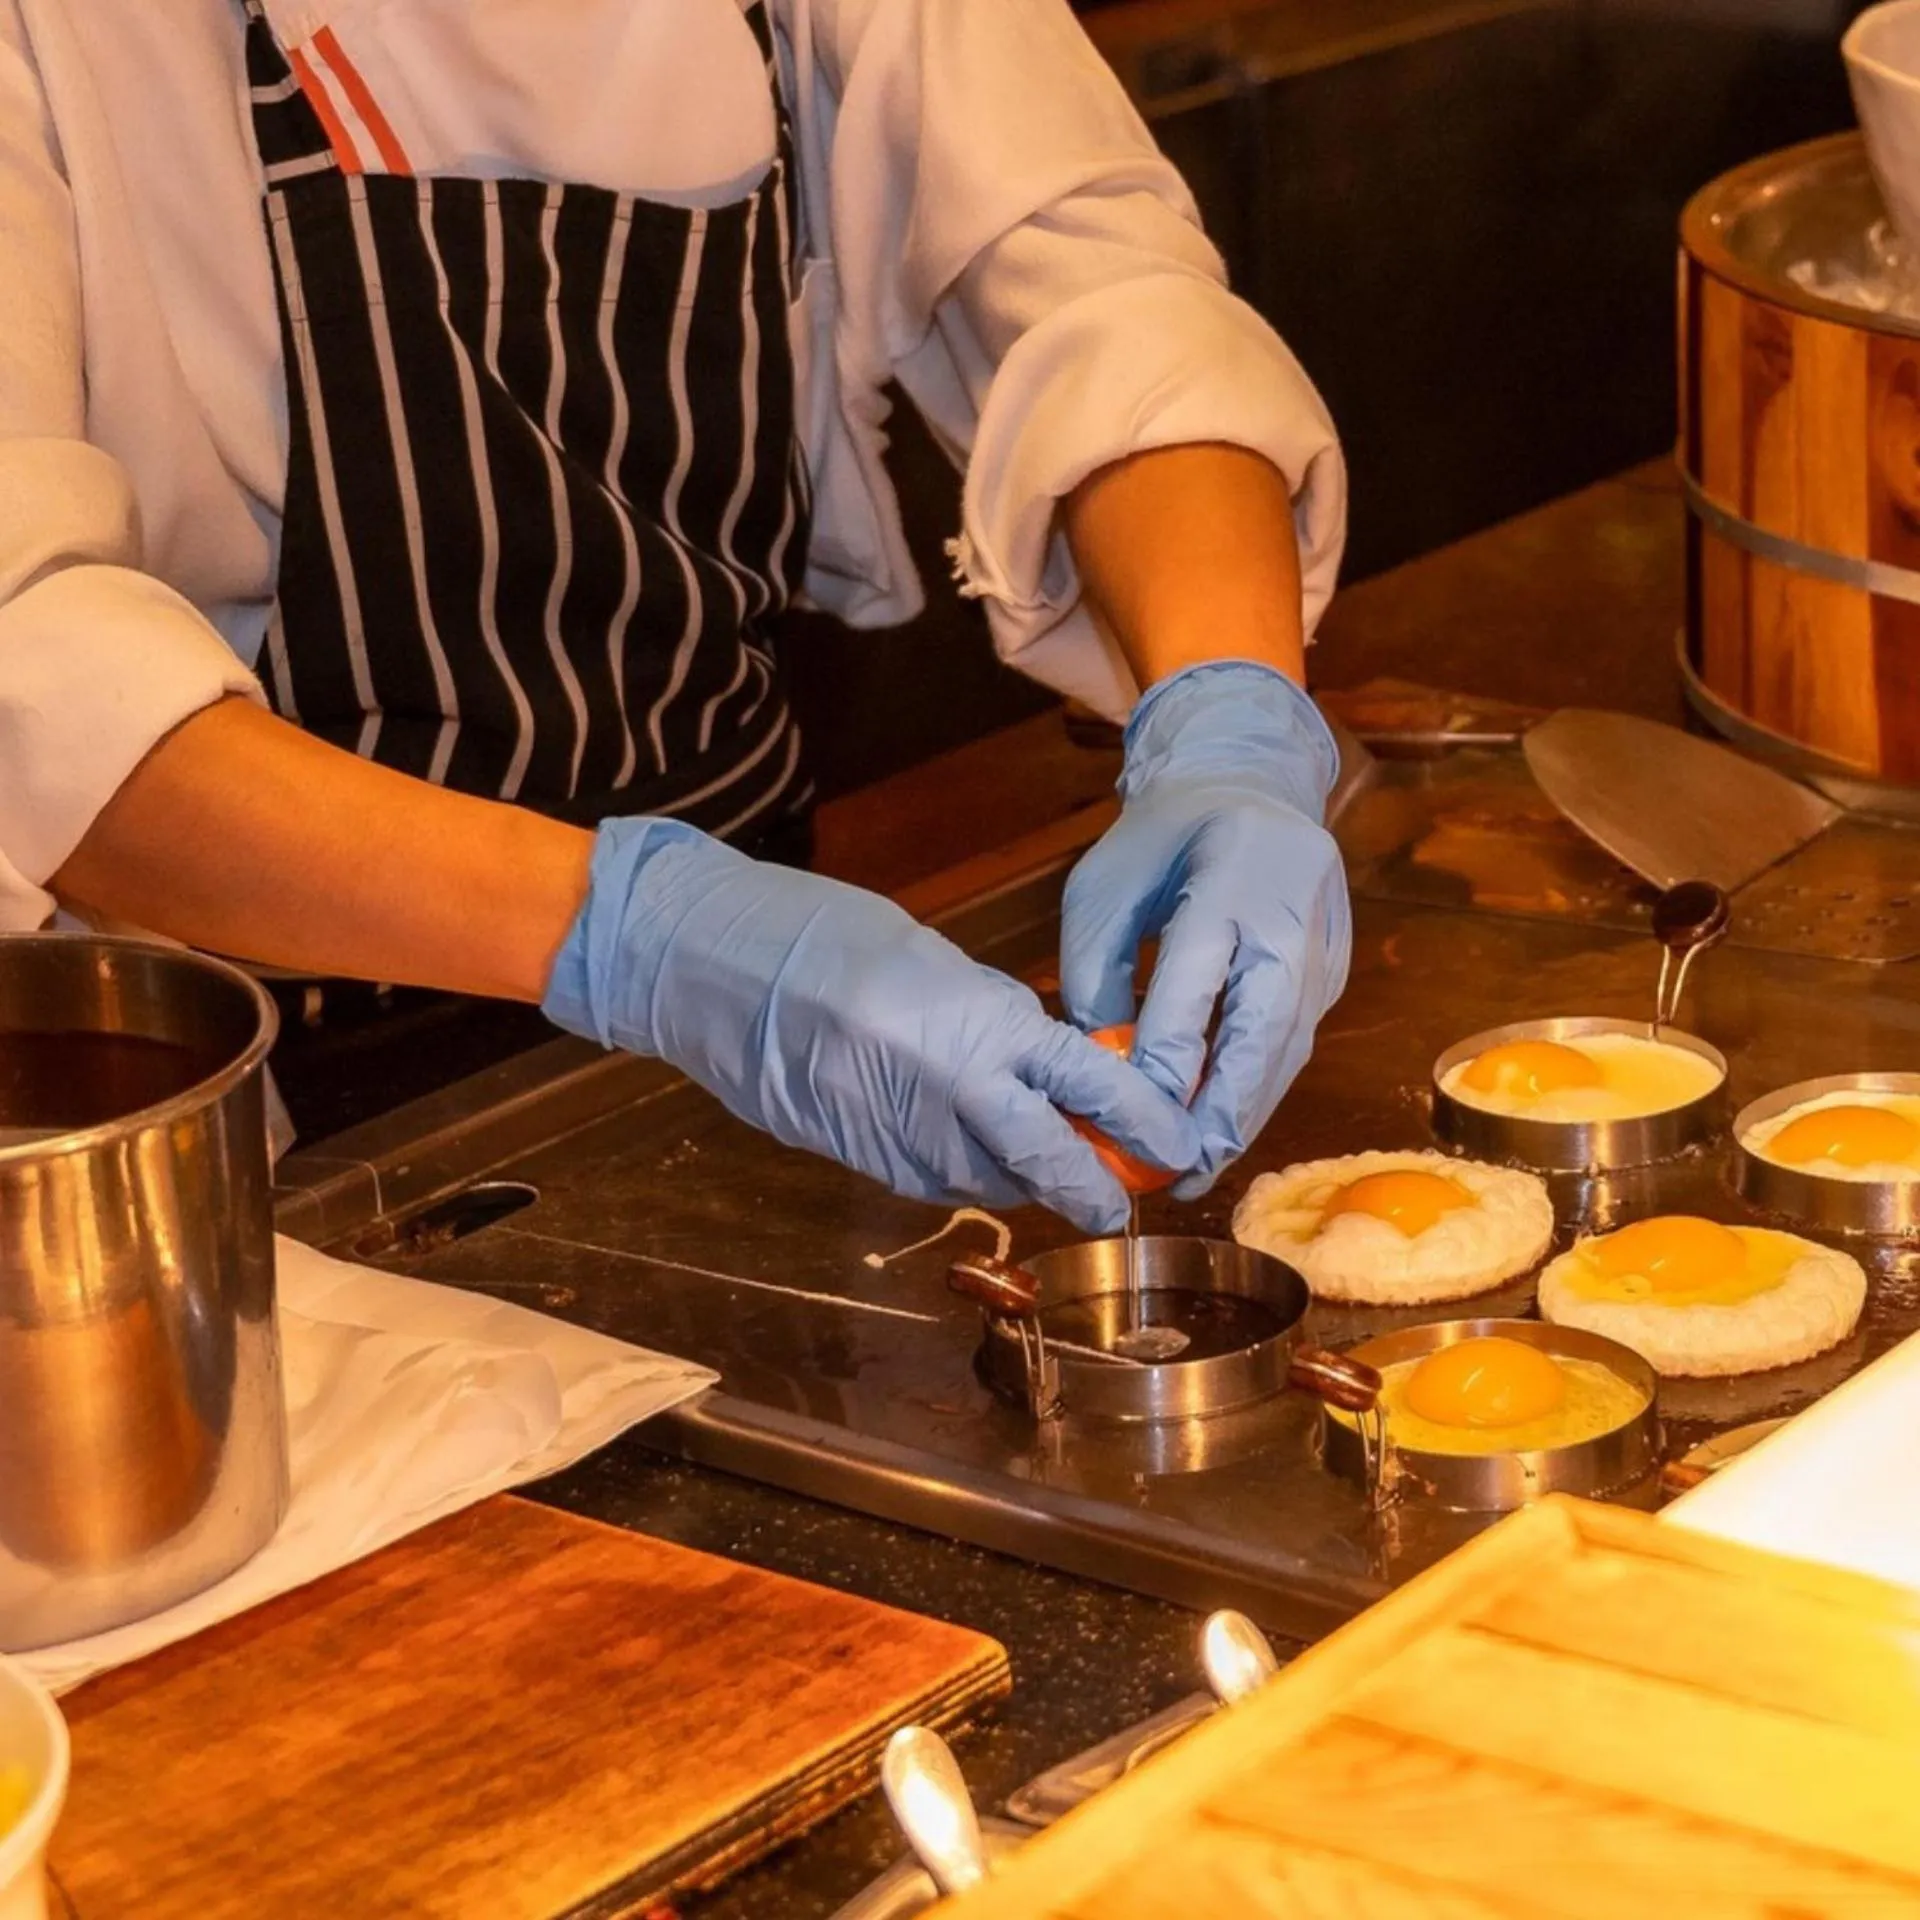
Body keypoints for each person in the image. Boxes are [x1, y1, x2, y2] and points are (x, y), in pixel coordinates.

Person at [0, 0, 1350, 1236]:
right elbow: (34, 674)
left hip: (800, 1031)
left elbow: (1100, 282)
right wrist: (641, 934)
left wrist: (1229, 720)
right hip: (269, 1098)